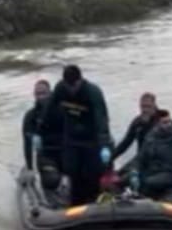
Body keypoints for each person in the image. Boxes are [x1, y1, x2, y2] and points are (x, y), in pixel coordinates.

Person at [33, 64, 113, 206]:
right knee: (72, 173)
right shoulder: (61, 89)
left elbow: (102, 121)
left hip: (91, 140)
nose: (71, 89)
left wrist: (105, 145)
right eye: (67, 85)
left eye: (73, 86)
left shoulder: (93, 93)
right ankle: (76, 204)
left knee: (91, 175)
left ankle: (94, 203)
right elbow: (48, 112)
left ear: (80, 81)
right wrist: (38, 133)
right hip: (71, 139)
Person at [129, 110, 172, 200]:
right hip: (153, 171)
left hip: (169, 173)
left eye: (169, 122)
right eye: (164, 123)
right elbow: (140, 158)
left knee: (149, 182)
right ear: (157, 124)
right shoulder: (150, 139)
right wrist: (134, 171)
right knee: (128, 179)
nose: (168, 125)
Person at [24, 79, 63, 191]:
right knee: (51, 181)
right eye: (38, 94)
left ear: (50, 93)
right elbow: (27, 144)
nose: (41, 97)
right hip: (46, 157)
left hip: (66, 154)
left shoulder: (62, 111)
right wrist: (30, 168)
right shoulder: (31, 116)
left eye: (43, 93)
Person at [114, 92, 159, 172]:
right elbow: (125, 143)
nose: (145, 110)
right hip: (140, 160)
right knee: (117, 176)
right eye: (142, 107)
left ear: (154, 106)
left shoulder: (162, 122)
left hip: (157, 162)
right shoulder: (137, 122)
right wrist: (110, 157)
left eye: (148, 107)